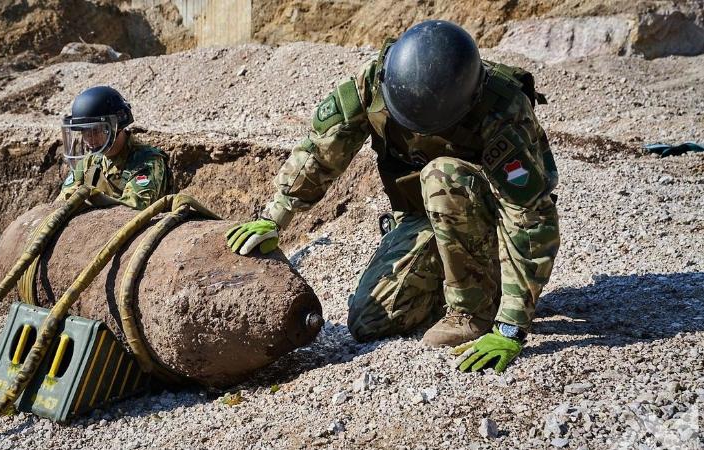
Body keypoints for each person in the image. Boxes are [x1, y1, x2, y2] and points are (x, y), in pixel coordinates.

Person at [224, 20, 560, 373]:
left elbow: (529, 216)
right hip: (427, 220)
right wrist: (274, 216)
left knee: (440, 174)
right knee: (369, 323)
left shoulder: (502, 110)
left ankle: (472, 311)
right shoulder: (375, 83)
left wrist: (511, 325)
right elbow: (321, 152)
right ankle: (465, 283)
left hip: (491, 225)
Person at [57, 86, 171, 210]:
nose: (89, 139)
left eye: (95, 131)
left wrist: (91, 198)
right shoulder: (89, 162)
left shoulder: (146, 161)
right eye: (84, 132)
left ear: (116, 127)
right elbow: (61, 202)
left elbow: (134, 208)